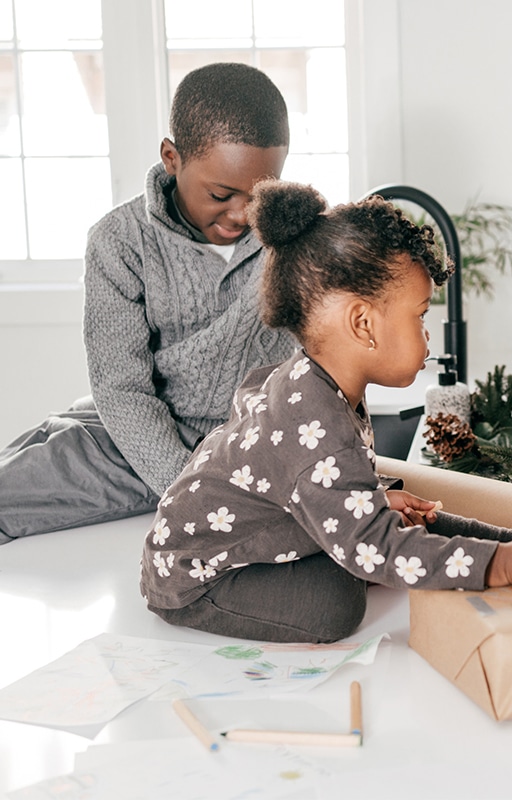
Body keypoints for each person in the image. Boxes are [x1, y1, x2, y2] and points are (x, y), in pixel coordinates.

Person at [140, 182, 512, 643]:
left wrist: (374, 501)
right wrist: (496, 572)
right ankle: (501, 556)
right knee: (336, 605)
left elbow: (291, 473)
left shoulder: (318, 380)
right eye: (420, 317)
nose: (428, 338)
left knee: (407, 512)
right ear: (363, 324)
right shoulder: (311, 417)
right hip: (196, 578)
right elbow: (374, 546)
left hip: (262, 528)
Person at [0, 62, 294, 544]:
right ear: (172, 157)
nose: (242, 213)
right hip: (136, 435)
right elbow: (123, 391)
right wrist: (193, 494)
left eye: (262, 193)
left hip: (240, 445)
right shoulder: (118, 242)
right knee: (22, 472)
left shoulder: (292, 236)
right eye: (221, 194)